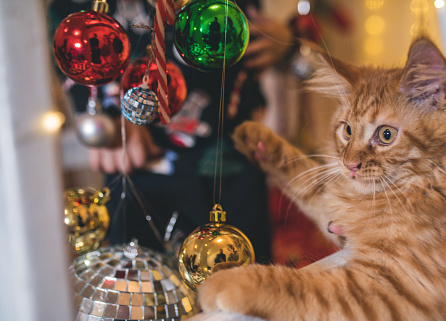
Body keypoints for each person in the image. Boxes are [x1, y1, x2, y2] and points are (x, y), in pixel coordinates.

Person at [49, 0, 295, 264]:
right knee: (141, 288)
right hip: (142, 167)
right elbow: (72, 33)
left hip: (233, 162)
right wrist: (105, 113)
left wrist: (284, 43)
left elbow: (246, 19)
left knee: (246, 280)